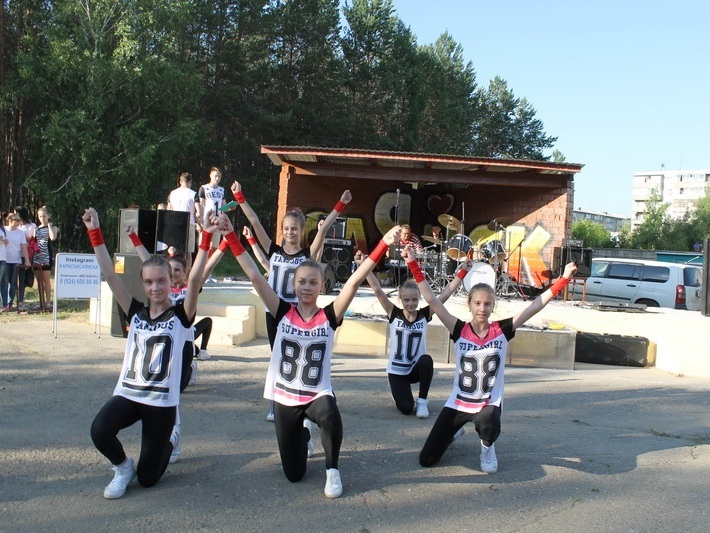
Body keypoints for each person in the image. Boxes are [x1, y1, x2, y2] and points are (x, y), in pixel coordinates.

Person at [217, 211, 400, 498]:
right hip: (285, 397)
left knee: (330, 414)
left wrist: (383, 244)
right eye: (302, 281)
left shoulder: (329, 316)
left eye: (313, 282)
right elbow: (254, 276)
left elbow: (354, 282)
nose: (306, 287)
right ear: (294, 284)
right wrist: (230, 235)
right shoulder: (282, 311)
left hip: (316, 394)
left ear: (322, 286)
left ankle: (332, 469)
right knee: (294, 474)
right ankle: (304, 434)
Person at [402, 243, 577, 474]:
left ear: (493, 306)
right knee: (426, 459)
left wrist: (563, 279)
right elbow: (433, 301)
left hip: (487, 404)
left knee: (489, 422)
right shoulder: (459, 329)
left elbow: (534, 306)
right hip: (458, 403)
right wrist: (412, 263)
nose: (482, 308)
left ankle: (487, 446)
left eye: (487, 304)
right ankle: (454, 432)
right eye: (477, 303)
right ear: (470, 305)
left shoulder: (501, 330)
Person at [84, 206, 212, 499]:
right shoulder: (135, 312)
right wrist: (95, 230)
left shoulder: (181, 317)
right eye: (149, 282)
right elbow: (109, 274)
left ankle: (172, 437)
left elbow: (194, 280)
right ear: (142, 284)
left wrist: (207, 234)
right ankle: (122, 468)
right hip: (130, 393)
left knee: (148, 478)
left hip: (161, 402)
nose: (155, 287)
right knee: (99, 430)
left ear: (170, 282)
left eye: (161, 281)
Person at [230, 180, 352, 421]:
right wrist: (240, 196)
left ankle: (307, 400)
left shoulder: (307, 255)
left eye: (294, 229)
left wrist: (340, 204)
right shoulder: (273, 250)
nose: (290, 232)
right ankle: (277, 403)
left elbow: (324, 230)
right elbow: (255, 221)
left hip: (297, 314)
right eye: (286, 228)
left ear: (301, 231)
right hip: (275, 312)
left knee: (296, 357)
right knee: (278, 356)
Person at [360, 251, 472, 418]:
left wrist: (463, 272)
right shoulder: (394, 313)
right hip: (397, 372)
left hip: (415, 368)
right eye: (406, 300)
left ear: (419, 299)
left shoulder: (424, 315)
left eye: (414, 300)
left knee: (426, 360)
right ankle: (399, 393)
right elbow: (377, 290)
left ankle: (422, 400)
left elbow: (445, 295)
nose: (410, 303)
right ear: (401, 300)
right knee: (406, 408)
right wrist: (364, 265)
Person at [167, 172, 199, 271]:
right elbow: (198, 212)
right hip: (189, 223)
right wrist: (199, 222)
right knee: (188, 253)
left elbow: (168, 210)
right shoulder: (193, 194)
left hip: (175, 224)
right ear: (190, 182)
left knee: (174, 250)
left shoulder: (172, 193)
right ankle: (187, 275)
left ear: (180, 182)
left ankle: (172, 272)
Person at [1, 212, 31, 312]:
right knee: (4, 282)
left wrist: (27, 260)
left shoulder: (21, 233)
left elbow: (23, 246)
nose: (19, 222)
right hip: (5, 260)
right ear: (10, 220)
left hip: (16, 260)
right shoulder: (3, 230)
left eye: (19, 220)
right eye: (17, 220)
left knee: (13, 282)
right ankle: (4, 304)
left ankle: (10, 304)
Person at [33, 206, 59, 312]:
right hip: (37, 257)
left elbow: (53, 237)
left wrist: (49, 226)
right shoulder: (36, 228)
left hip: (47, 257)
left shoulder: (52, 227)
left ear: (48, 216)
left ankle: (48, 301)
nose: (42, 218)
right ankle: (41, 301)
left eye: (44, 216)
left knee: (46, 279)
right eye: (40, 216)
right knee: (39, 281)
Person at [197, 167, 225, 252]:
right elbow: (201, 205)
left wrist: (231, 207)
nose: (217, 178)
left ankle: (212, 260)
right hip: (207, 220)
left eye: (219, 176)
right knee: (203, 245)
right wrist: (199, 220)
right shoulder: (204, 188)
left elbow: (224, 206)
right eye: (216, 176)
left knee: (214, 247)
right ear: (210, 175)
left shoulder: (222, 190)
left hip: (217, 220)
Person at [14, 206, 36, 312]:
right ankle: (11, 300)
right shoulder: (15, 225)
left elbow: (34, 240)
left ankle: (21, 300)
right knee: (12, 278)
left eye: (16, 213)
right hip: (14, 254)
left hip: (26, 255)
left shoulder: (32, 226)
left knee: (22, 278)